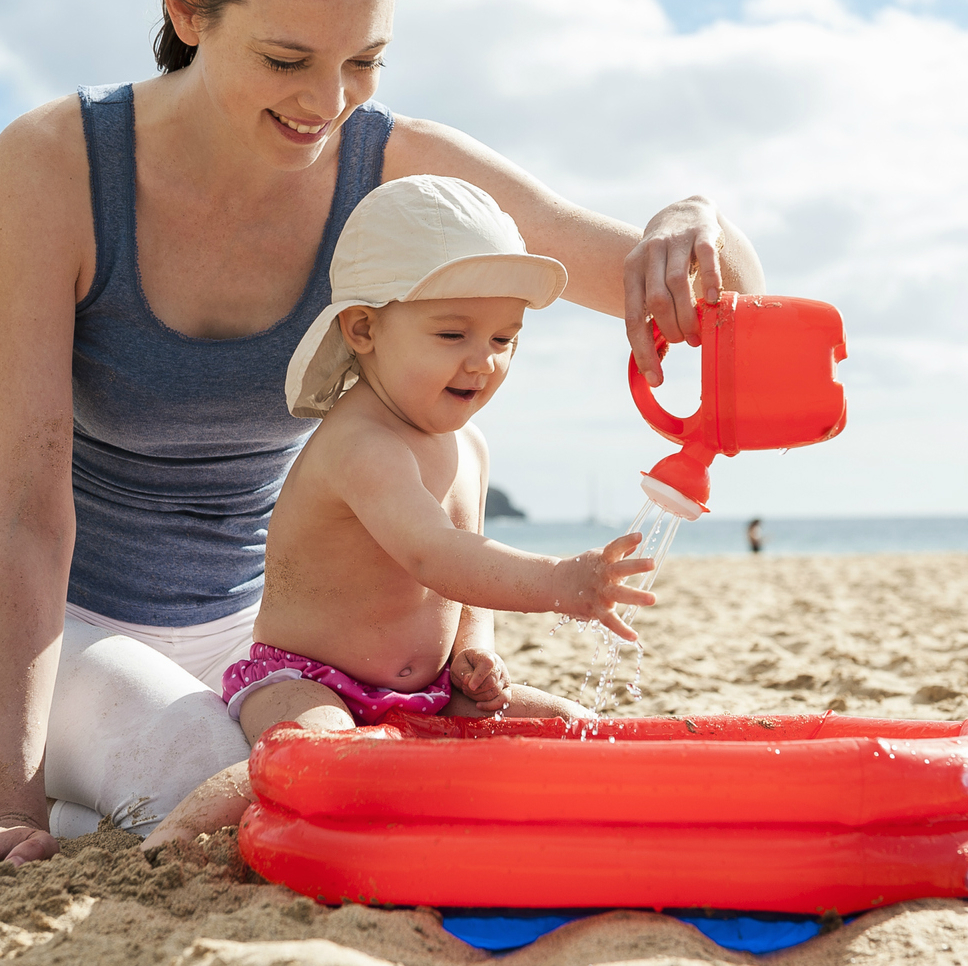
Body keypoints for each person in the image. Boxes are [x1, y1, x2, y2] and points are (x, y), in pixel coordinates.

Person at [0, 0, 766, 901]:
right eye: (286, 59)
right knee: (266, 797)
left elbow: (697, 293)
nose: (326, 102)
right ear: (185, 6)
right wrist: (7, 813)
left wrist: (696, 216)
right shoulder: (55, 164)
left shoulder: (395, 168)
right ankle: (28, 775)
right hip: (59, 624)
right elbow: (26, 507)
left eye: (364, 61)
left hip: (271, 643)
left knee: (380, 778)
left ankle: (94, 791)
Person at [225, 175, 651, 741]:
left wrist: (475, 651)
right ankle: (170, 832)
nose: (483, 362)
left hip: (430, 694)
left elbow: (466, 578)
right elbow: (437, 557)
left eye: (504, 340)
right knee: (323, 753)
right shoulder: (362, 445)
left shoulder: (470, 446)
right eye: (453, 334)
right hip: (309, 682)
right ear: (364, 328)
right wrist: (561, 582)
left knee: (575, 729)